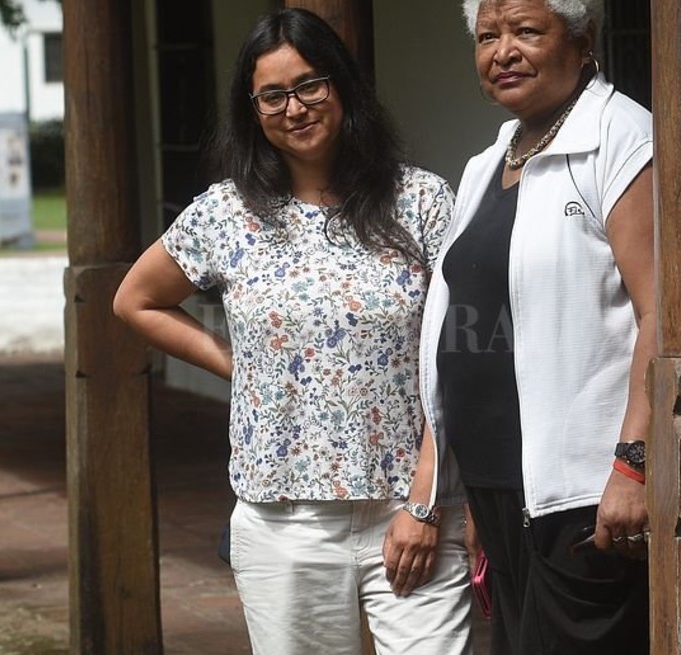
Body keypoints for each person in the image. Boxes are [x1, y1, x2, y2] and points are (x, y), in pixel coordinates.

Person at [113, 8, 472, 655]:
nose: (295, 107)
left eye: (310, 84)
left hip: (413, 507)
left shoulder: (421, 201)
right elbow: (136, 301)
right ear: (253, 110)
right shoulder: (227, 212)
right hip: (284, 522)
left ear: (342, 85)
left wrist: (427, 501)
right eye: (272, 95)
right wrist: (237, 362)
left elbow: (457, 355)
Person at [417, 0, 655, 652]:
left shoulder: (620, 137)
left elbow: (660, 312)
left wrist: (634, 465)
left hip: (583, 495)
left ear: (582, 38)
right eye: (487, 36)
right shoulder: (488, 161)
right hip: (501, 489)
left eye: (526, 31)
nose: (503, 52)